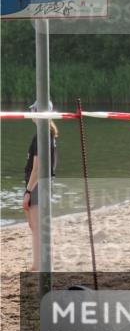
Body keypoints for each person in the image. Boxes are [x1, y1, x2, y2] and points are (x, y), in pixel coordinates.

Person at [22, 101, 58, 272]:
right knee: (38, 226)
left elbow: (37, 168)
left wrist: (28, 191)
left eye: (34, 109)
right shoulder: (47, 134)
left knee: (37, 227)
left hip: (38, 185)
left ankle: (38, 266)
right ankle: (45, 263)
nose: (31, 111)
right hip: (42, 184)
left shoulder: (42, 136)